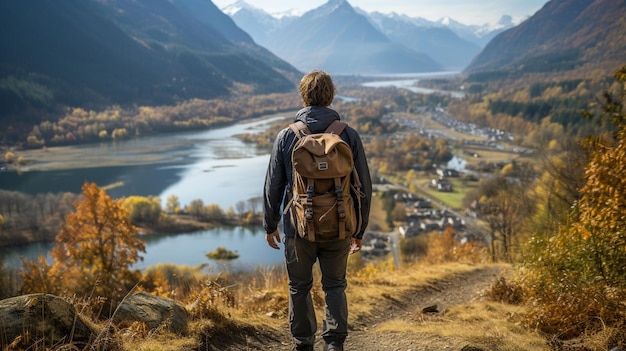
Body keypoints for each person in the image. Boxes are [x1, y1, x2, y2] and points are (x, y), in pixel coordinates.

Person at [263, 70, 372, 351]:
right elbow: (363, 186)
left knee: (299, 287)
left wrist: (270, 224)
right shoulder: (348, 134)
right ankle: (334, 344)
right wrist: (359, 230)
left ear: (303, 96)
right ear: (330, 95)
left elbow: (273, 185)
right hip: (340, 223)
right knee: (335, 286)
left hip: (298, 228)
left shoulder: (287, 136)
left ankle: (303, 344)